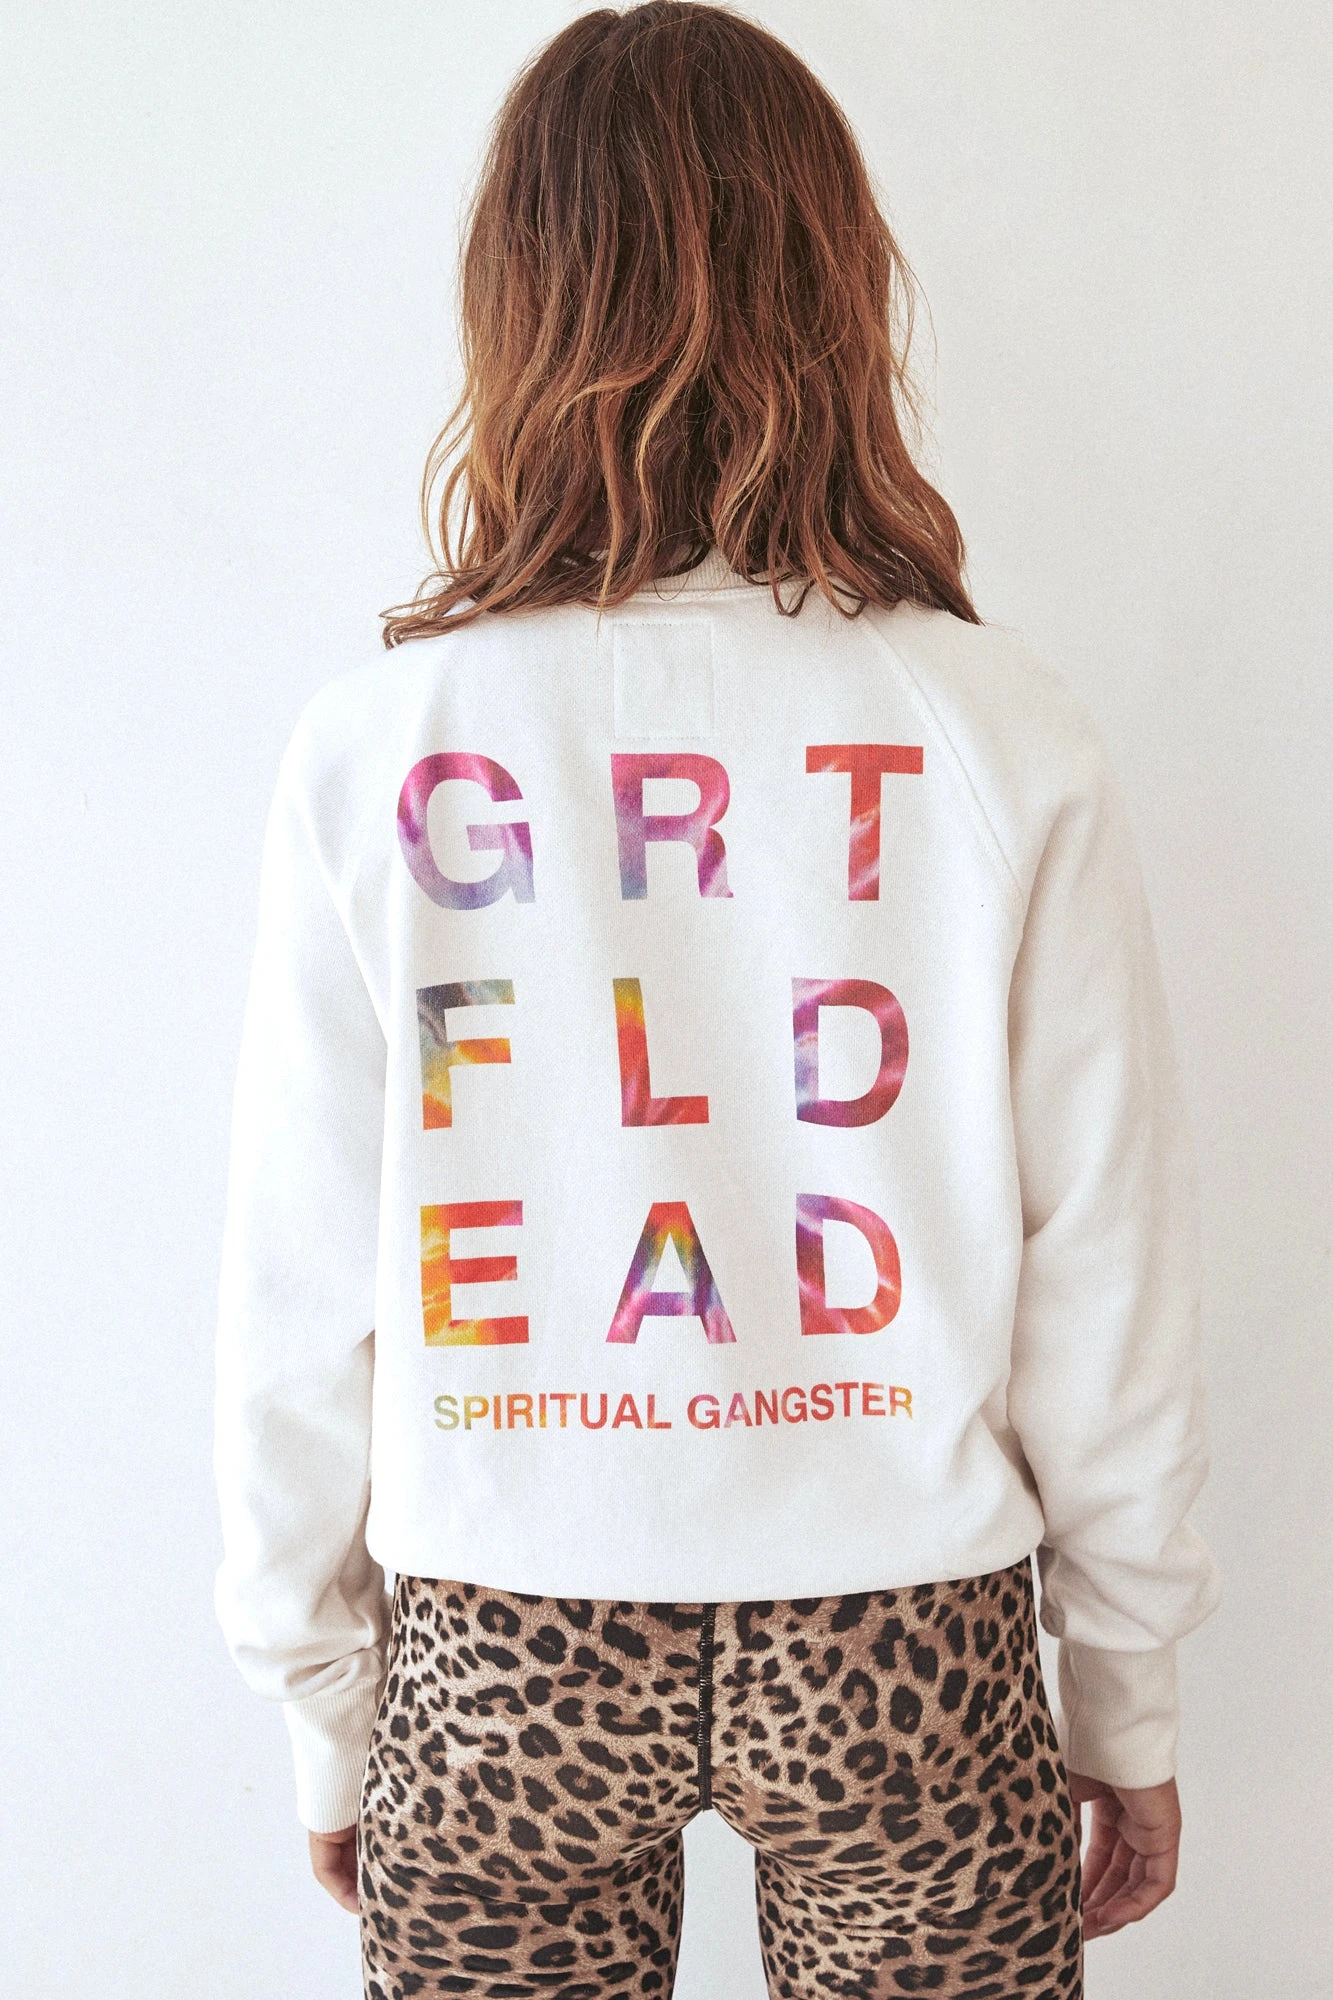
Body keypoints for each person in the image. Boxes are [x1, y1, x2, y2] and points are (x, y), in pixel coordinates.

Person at [211, 6, 1222, 1994]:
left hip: (502, 1635)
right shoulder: (1000, 729)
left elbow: (297, 1271)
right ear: (837, 293)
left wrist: (325, 1700)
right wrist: (1124, 1689)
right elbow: (1108, 1255)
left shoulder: (382, 742)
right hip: (907, 1634)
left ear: (517, 308)